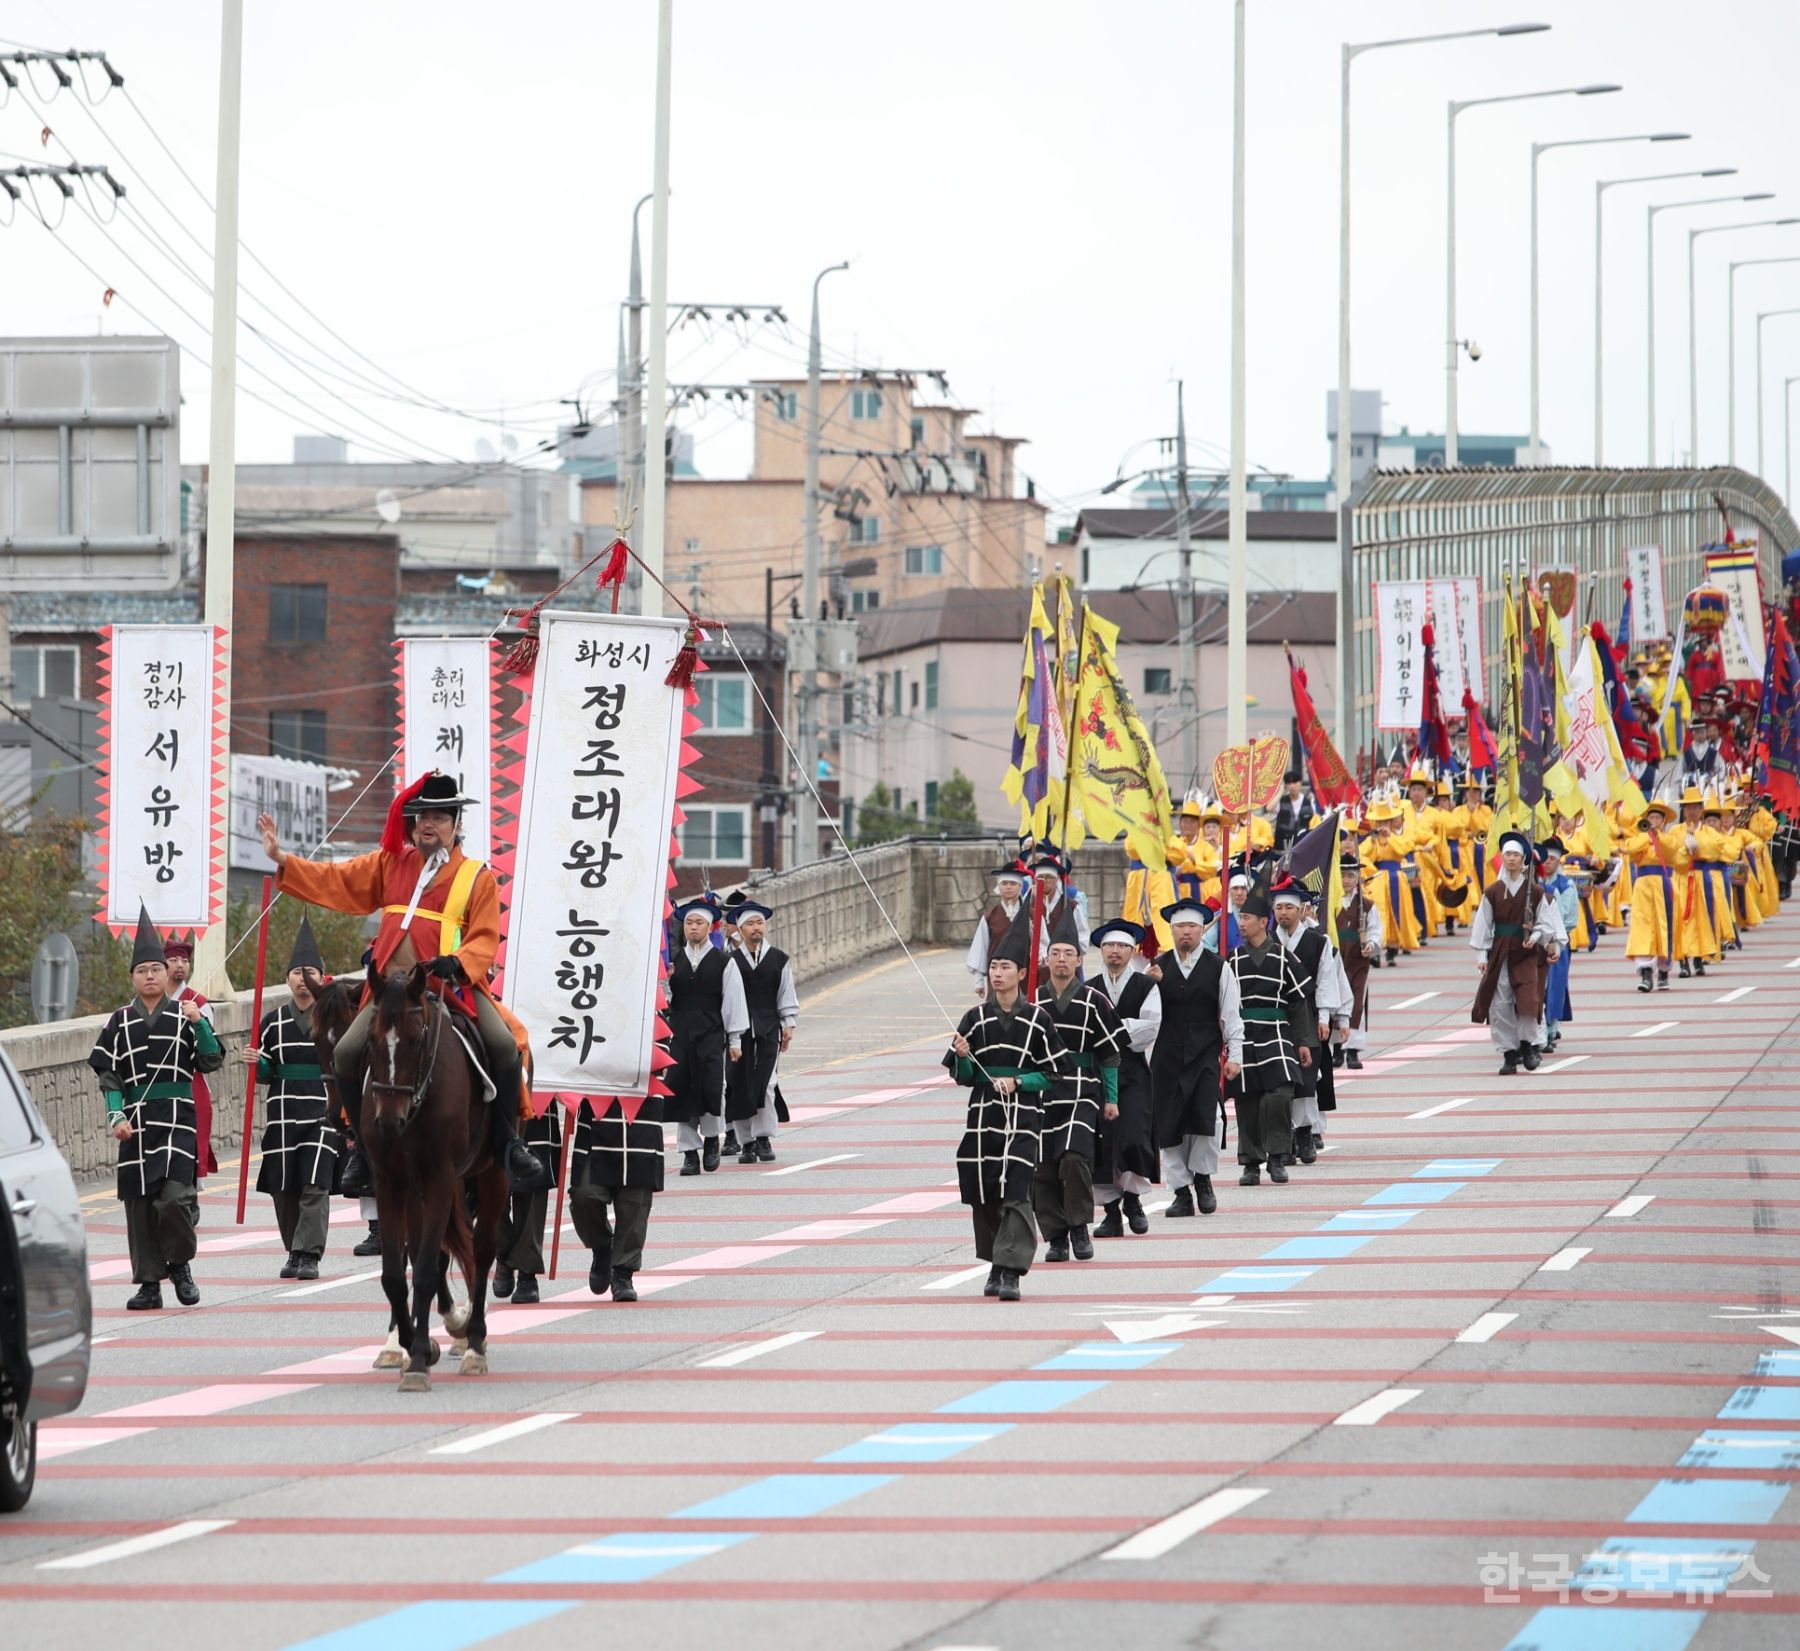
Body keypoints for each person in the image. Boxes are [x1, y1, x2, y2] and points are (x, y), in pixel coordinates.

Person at [257, 772, 547, 1192]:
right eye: (420, 816)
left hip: (452, 987)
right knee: (345, 1051)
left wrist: (459, 962)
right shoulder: (389, 863)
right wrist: (284, 859)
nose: (428, 824)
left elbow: (485, 937)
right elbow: (338, 879)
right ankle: (359, 1147)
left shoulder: (477, 876)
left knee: (505, 1044)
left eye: (439, 817)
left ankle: (508, 1140)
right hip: (391, 993)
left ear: (455, 823)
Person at [89, 905, 223, 1310]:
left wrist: (200, 1023)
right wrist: (116, 1115)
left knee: (176, 1199)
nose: (150, 975)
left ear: (168, 974)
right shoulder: (119, 1022)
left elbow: (212, 1059)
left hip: (178, 1121)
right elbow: (109, 1075)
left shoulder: (187, 1016)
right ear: (132, 977)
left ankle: (180, 1264)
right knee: (140, 1205)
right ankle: (149, 1282)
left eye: (156, 968)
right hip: (136, 1124)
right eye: (142, 969)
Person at [946, 911, 1064, 1302]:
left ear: (1021, 972)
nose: (997, 973)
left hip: (1024, 1117)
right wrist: (963, 1056)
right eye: (993, 966)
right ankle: (996, 1261)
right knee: (984, 1190)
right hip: (983, 1116)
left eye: (1005, 967)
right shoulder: (974, 1018)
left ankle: (1011, 1271)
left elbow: (1053, 1073)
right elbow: (962, 1075)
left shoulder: (1038, 1019)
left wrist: (1019, 1081)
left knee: (1015, 1188)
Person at [249, 918, 339, 1282]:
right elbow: (265, 1075)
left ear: (323, 976)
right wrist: (258, 1063)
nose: (303, 979)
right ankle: (293, 1249)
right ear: (287, 979)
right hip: (282, 1110)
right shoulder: (271, 1022)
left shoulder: (334, 1017)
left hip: (321, 1110)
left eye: (311, 972)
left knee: (314, 1183)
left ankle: (309, 1254)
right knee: (283, 1185)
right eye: (297, 973)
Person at [1031, 915, 1124, 1264]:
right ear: (1046, 958)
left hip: (1083, 1090)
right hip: (1040, 1092)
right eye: (1055, 952)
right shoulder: (1034, 1001)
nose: (1061, 959)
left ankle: (1079, 1227)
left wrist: (1112, 1097)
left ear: (1079, 960)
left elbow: (1111, 1053)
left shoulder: (1093, 1000)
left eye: (1068, 953)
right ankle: (1055, 1236)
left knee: (1073, 1159)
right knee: (1042, 1166)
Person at [1150, 896, 1243, 1219]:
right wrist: (1149, 985)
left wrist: (1236, 1054)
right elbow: (1144, 1014)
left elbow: (1232, 1014)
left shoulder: (1219, 967)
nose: (1185, 933)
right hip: (1166, 1055)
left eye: (1191, 926)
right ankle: (1180, 1191)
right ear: (1172, 931)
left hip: (1205, 1053)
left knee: (1207, 1119)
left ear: (1202, 929)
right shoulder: (1158, 967)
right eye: (1179, 927)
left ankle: (1203, 1179)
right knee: (1169, 1124)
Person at [1226, 885, 1316, 1185]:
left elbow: (1298, 1001)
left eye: (1247, 917)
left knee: (1279, 1095)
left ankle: (1277, 1157)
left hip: (1278, 1034)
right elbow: (1223, 1005)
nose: (1241, 923)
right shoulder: (1232, 960)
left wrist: (1303, 1041)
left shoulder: (1282, 957)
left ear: (1264, 922)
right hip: (1244, 1034)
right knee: (1247, 1099)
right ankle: (1251, 1162)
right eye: (1240, 917)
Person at [1088, 919, 1161, 1238]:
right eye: (1109, 946)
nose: (1114, 951)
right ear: (1101, 951)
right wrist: (1123, 1028)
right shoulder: (1088, 987)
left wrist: (1108, 1031)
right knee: (1101, 1143)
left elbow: (1149, 1030)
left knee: (1133, 1137)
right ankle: (1111, 1212)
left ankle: (1132, 1200)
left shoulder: (1147, 986)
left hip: (1132, 1073)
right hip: (1096, 1076)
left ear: (1132, 951)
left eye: (1121, 946)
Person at [1469, 831, 1564, 1075]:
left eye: (1516, 855)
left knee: (1528, 1000)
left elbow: (1547, 923)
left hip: (1525, 952)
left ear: (1523, 860)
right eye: (1507, 854)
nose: (1511, 859)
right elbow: (1483, 924)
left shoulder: (1536, 892)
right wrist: (1481, 955)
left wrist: (1535, 936)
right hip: (1501, 950)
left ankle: (1527, 1045)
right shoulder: (1492, 892)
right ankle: (1508, 1054)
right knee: (1500, 1004)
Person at [667, 897, 747, 1174]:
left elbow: (733, 1002)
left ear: (710, 926)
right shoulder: (674, 962)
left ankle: (712, 1139)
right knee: (681, 1089)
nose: (693, 928)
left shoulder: (725, 962)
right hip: (679, 1034)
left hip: (711, 1033)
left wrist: (735, 1040)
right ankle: (689, 1152)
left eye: (699, 923)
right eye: (688, 923)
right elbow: (665, 998)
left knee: (711, 1088)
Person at [1271, 880, 1349, 1164]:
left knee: (1305, 1078)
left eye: (1289, 907)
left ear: (1302, 909)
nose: (1283, 913)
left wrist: (1326, 1017)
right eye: (1279, 907)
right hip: (1277, 1020)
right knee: (1280, 1079)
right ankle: (1286, 1135)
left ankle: (1305, 1132)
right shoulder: (1268, 941)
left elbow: (1327, 980)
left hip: (1309, 1018)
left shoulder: (1318, 942)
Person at [725, 900, 798, 1164]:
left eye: (759, 923)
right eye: (750, 924)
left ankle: (764, 1137)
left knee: (767, 1084)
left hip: (768, 1028)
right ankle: (747, 1142)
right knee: (739, 1084)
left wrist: (788, 1023)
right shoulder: (730, 961)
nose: (756, 928)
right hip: (739, 1031)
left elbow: (786, 992)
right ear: (740, 929)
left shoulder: (778, 959)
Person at [569, 1094, 659, 1302]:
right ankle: (602, 1246)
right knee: (584, 1195)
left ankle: (622, 1274)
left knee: (634, 1200)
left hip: (640, 1110)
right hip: (596, 1111)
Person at [162, 937, 217, 1194]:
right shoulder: (149, 1000)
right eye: (173, 960)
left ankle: (191, 1190)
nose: (179, 965)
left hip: (190, 1077)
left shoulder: (198, 1001)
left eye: (184, 960)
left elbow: (209, 1047)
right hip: (158, 1079)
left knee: (193, 1133)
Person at [493, 1102, 562, 1305]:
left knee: (534, 1185)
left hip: (538, 1097)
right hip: (494, 1103)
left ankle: (526, 1272)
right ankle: (504, 1253)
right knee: (491, 1190)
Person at [1624, 798, 1686, 993]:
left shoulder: (1670, 838)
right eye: (1651, 817)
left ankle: (1663, 970)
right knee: (1644, 927)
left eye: (1657, 817)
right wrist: (1646, 834)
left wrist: (1656, 836)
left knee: (1664, 926)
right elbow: (1632, 850)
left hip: (1664, 884)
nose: (1654, 820)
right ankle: (1645, 972)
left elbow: (1672, 852)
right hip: (1643, 885)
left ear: (1664, 821)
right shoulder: (1639, 838)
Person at [1333, 855, 1381, 1069]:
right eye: (1342, 876)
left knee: (1356, 1002)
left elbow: (1375, 931)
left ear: (1357, 878)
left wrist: (1371, 944)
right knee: (1333, 1002)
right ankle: (1336, 1049)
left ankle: (1353, 1051)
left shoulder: (1367, 906)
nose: (1346, 881)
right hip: (1336, 959)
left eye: (1350, 876)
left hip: (1357, 960)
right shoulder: (1330, 904)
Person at [1536, 838, 1581, 1053]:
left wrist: (1556, 934)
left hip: (1557, 942)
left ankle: (1551, 1027)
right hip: (1537, 941)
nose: (1547, 863)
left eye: (1552, 859)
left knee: (1555, 985)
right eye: (1545, 858)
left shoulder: (1565, 885)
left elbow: (1569, 917)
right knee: (1537, 985)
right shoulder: (1534, 882)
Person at [966, 864, 1026, 999]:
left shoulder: (1031, 915)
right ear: (998, 887)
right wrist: (979, 981)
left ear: (1020, 886)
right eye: (1004, 883)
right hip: (998, 977)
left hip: (1025, 977)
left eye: (1013, 883)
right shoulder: (989, 917)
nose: (1008, 887)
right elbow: (981, 949)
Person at [1273, 773, 1316, 853]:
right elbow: (1269, 808)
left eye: (1295, 782)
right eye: (1289, 783)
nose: (1292, 786)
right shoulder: (1282, 801)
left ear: (1300, 783)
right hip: (1282, 847)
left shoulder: (1309, 801)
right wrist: (1280, 792)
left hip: (1302, 847)